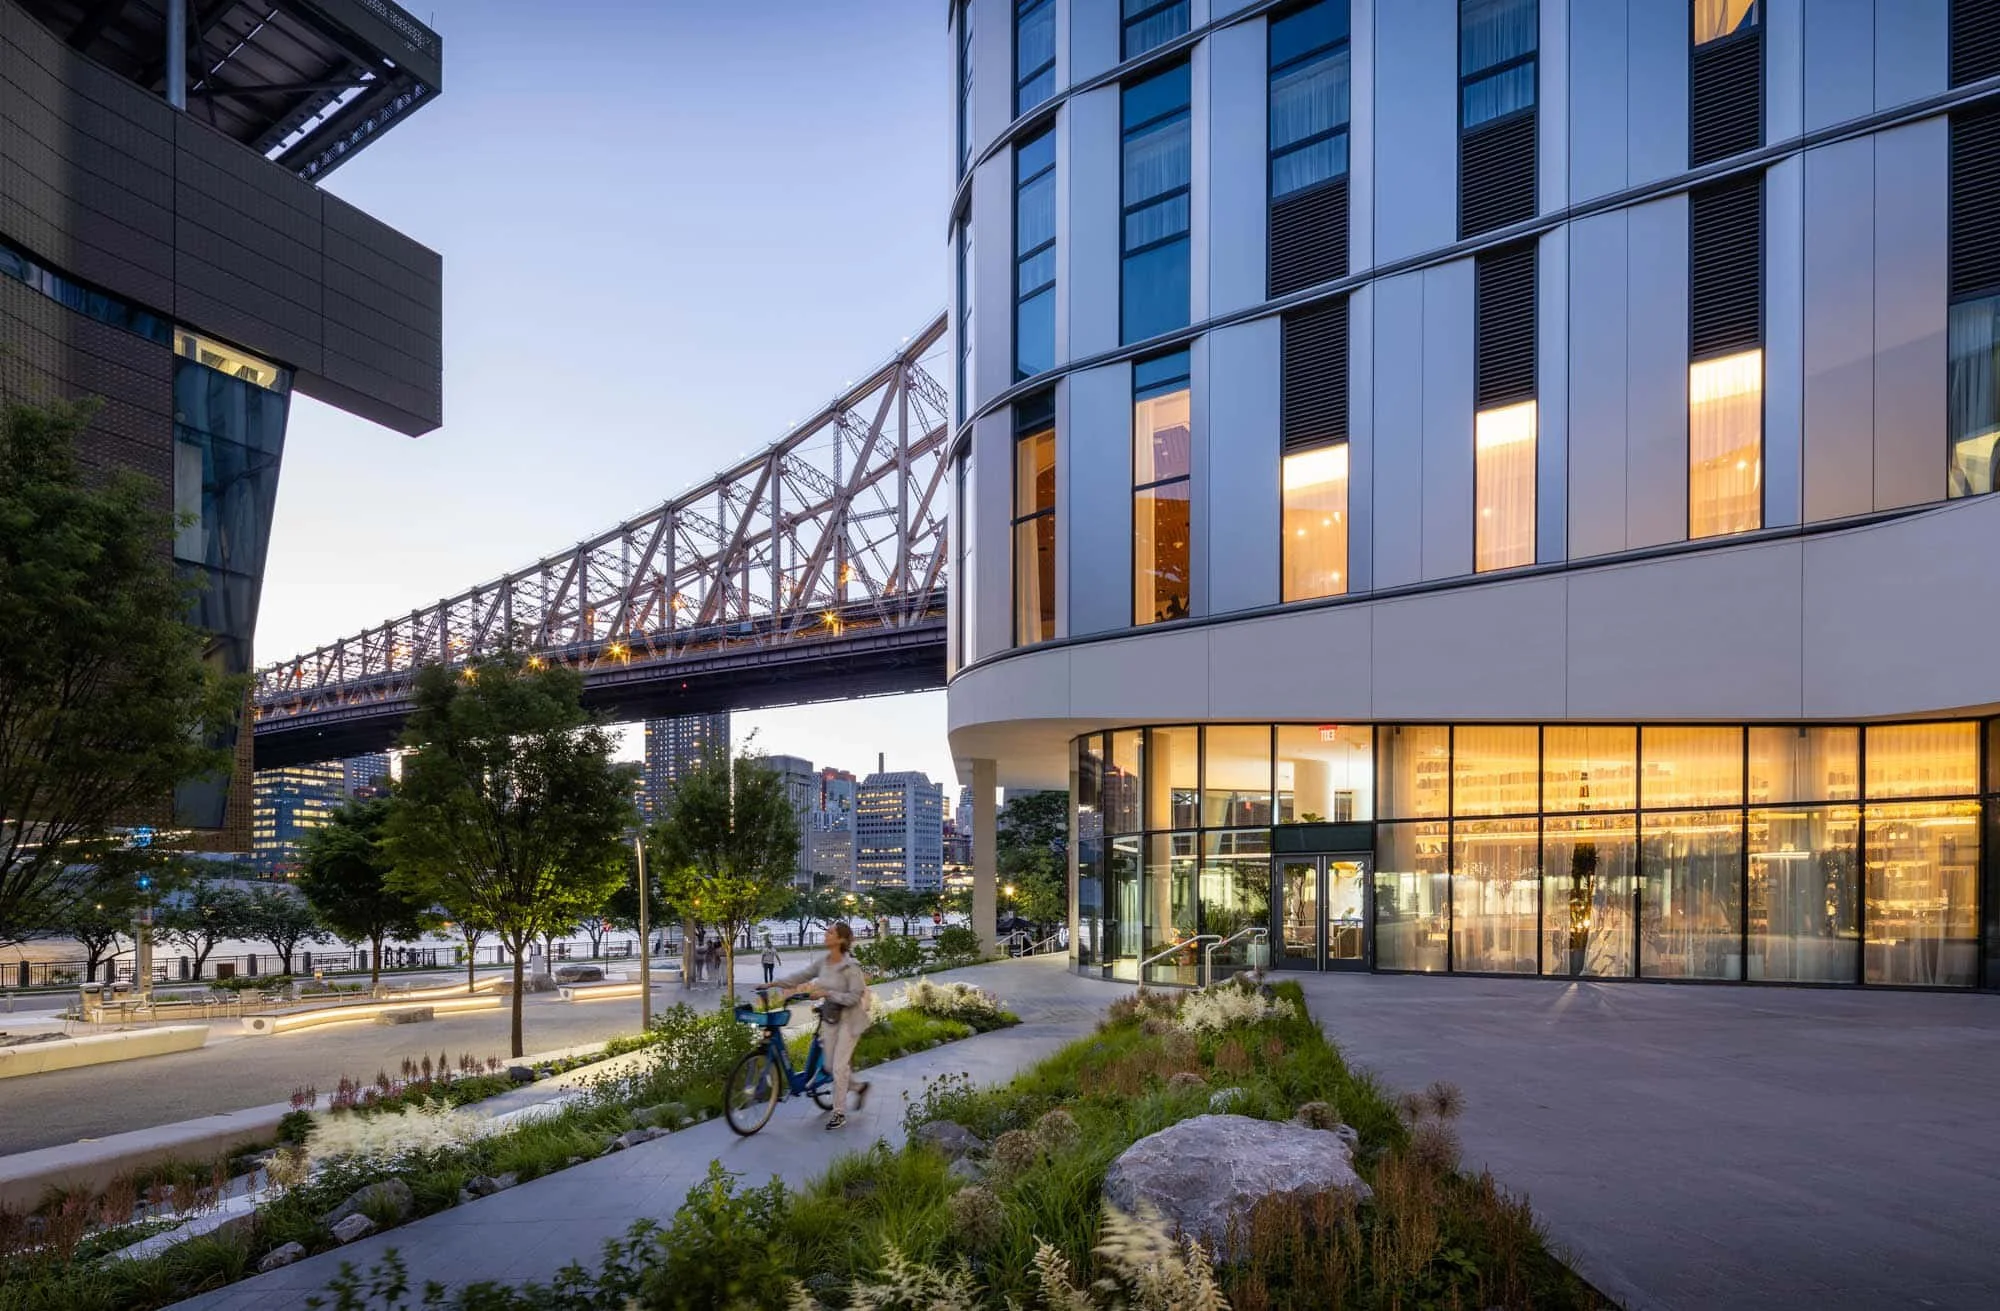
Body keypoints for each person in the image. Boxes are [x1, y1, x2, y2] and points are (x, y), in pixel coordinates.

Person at [769, 923, 870, 1130]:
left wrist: (827, 994)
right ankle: (859, 1087)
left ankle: (839, 1113)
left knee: (839, 1067)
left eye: (830, 932)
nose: (826, 934)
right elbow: (802, 975)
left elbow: (854, 997)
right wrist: (773, 983)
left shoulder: (851, 967)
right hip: (830, 1019)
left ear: (841, 939)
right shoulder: (823, 962)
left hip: (849, 1020)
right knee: (831, 1067)